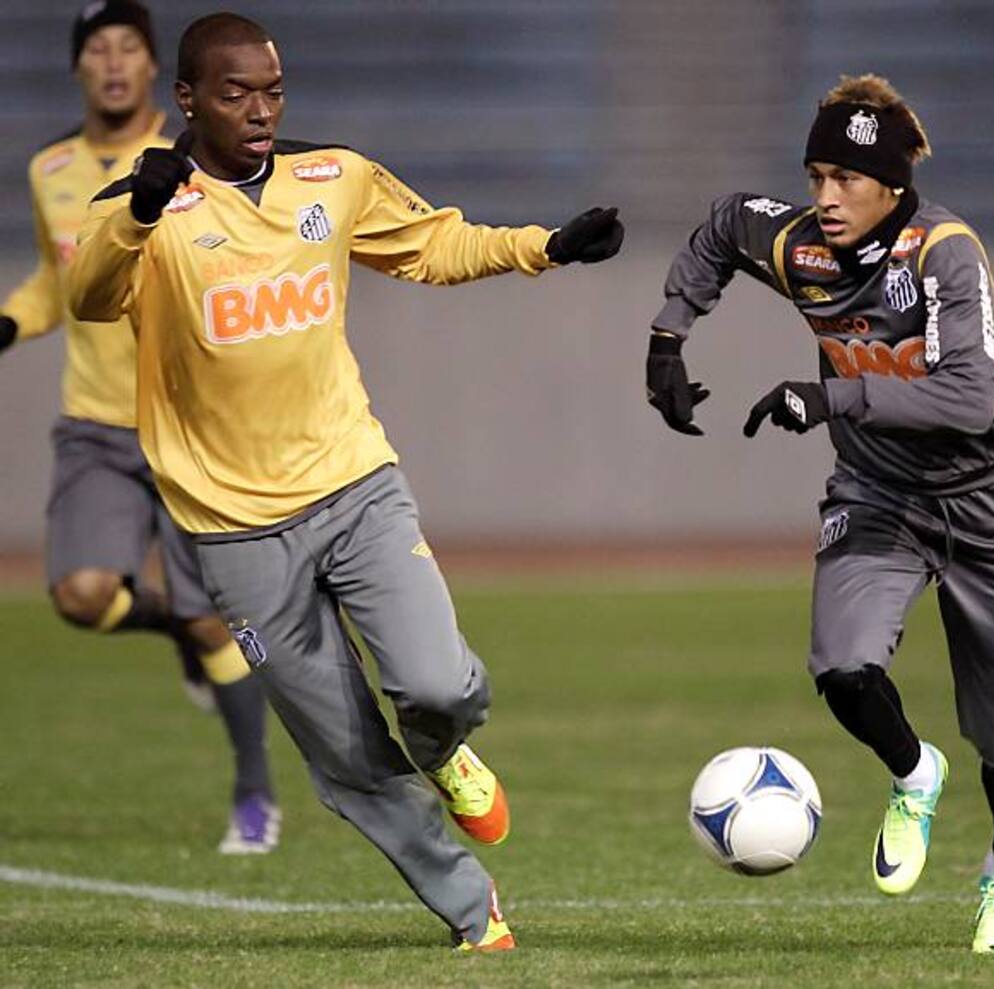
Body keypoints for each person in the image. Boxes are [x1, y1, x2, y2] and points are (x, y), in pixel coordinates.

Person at [68, 11, 623, 952]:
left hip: (354, 483)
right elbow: (86, 295)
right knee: (344, 749)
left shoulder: (335, 177)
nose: (260, 109)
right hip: (234, 533)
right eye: (236, 92)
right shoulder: (148, 209)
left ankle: (446, 747)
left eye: (273, 90)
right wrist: (138, 211)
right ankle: (466, 904)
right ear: (190, 99)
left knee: (437, 685)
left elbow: (434, 245)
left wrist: (546, 246)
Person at [646, 74, 994, 955]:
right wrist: (668, 336)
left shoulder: (944, 252)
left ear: (893, 186)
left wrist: (834, 396)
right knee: (842, 667)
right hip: (879, 495)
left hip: (987, 506)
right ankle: (913, 774)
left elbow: (972, 399)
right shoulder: (800, 245)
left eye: (846, 179)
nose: (825, 197)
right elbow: (721, 225)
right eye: (816, 174)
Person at [0, 0, 279, 856]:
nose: (114, 63)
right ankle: (182, 638)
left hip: (187, 425)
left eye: (129, 47)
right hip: (95, 422)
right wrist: (11, 320)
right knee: (81, 596)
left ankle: (254, 793)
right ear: (79, 67)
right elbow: (62, 281)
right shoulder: (51, 167)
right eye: (98, 49)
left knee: (217, 621)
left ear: (157, 69)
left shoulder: (205, 154)